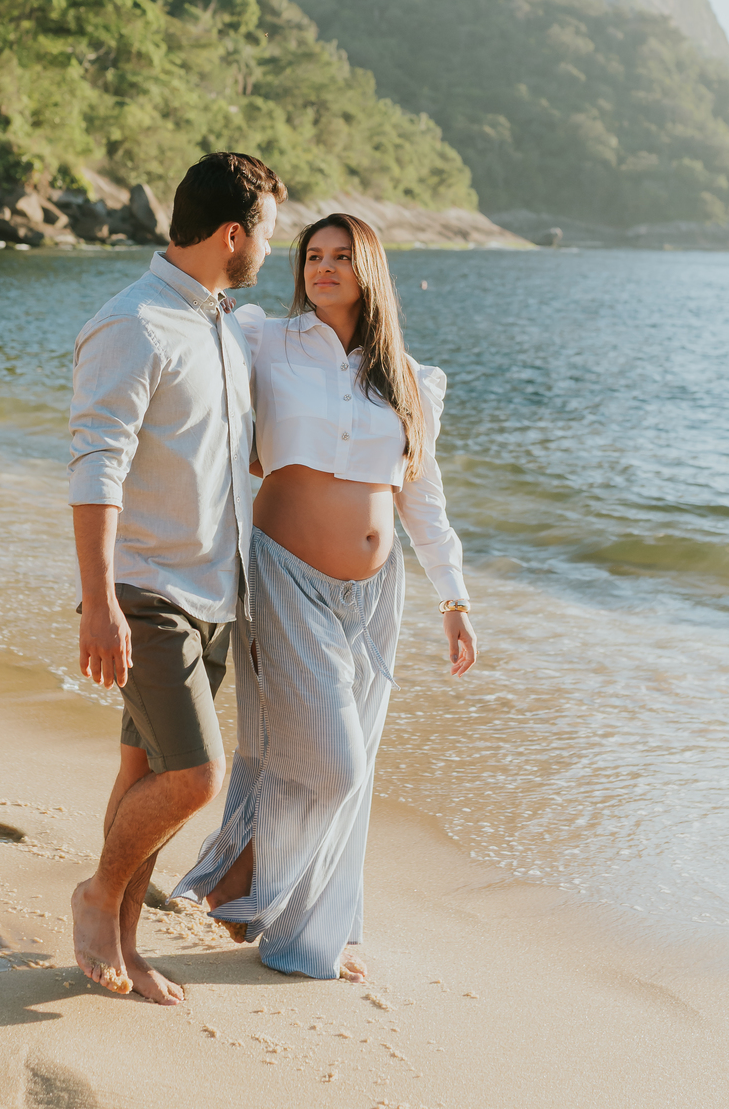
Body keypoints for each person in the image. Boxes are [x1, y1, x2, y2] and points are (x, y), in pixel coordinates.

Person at [172, 212, 477, 981]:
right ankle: (239, 878)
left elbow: (424, 501)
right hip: (285, 576)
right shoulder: (264, 341)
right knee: (331, 760)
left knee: (350, 767)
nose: (324, 268)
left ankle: (309, 937)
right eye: (313, 255)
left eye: (342, 257)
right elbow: (189, 338)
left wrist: (455, 599)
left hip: (375, 594)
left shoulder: (407, 377)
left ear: (369, 270)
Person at [67, 150, 286, 1004]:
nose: (273, 246)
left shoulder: (226, 326)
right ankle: (96, 894)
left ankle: (123, 933)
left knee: (142, 772)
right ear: (234, 233)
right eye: (269, 230)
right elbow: (95, 469)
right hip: (146, 590)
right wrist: (98, 603)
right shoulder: (136, 324)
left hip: (215, 593)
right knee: (194, 777)